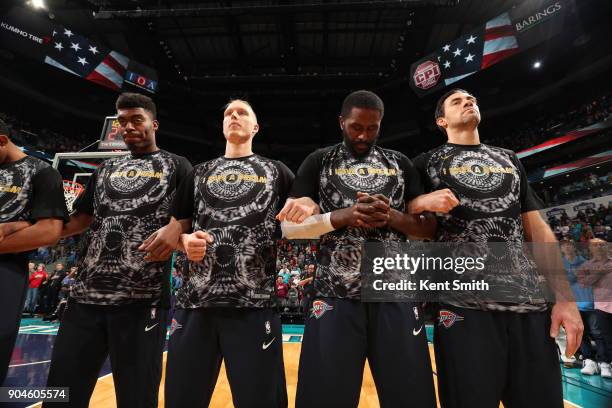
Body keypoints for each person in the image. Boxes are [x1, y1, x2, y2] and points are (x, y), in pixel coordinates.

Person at [410, 88, 583, 407]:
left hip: (528, 305)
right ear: (441, 121)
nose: (468, 102)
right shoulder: (426, 162)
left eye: (471, 98)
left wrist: (566, 300)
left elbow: (538, 230)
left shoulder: (508, 158)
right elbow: (397, 214)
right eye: (457, 101)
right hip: (464, 307)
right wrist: (421, 200)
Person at [280, 90, 437, 407]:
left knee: (411, 395)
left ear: (381, 124)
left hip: (394, 291)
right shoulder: (318, 160)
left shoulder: (401, 163)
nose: (364, 135)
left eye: (372, 128)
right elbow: (289, 227)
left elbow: (428, 229)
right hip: (334, 292)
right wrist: (344, 216)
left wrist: (390, 216)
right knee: (325, 397)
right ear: (341, 122)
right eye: (355, 127)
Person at [44, 93, 192, 407]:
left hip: (142, 300)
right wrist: (31, 228)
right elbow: (79, 220)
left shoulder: (177, 165)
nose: (127, 127)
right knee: (59, 392)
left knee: (137, 396)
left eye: (136, 119)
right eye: (122, 121)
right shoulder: (104, 169)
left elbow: (193, 215)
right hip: (85, 297)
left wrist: (177, 226)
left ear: (154, 123)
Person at [165, 99, 292, 407]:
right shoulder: (197, 173)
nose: (234, 116)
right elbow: (172, 229)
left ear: (255, 127)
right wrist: (183, 241)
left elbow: (304, 217)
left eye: (242, 112)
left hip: (254, 304)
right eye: (228, 113)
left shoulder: (278, 172)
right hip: (196, 303)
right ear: (223, 125)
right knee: (182, 398)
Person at [0, 118, 68, 385]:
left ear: (2, 141)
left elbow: (49, 232)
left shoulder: (42, 173)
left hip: (6, 268)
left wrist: (18, 226)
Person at [577, 238, 612, 378]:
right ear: (590, 249)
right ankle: (606, 363)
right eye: (595, 245)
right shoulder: (586, 266)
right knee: (608, 338)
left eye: (602, 244)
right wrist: (600, 272)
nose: (599, 247)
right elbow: (583, 283)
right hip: (603, 306)